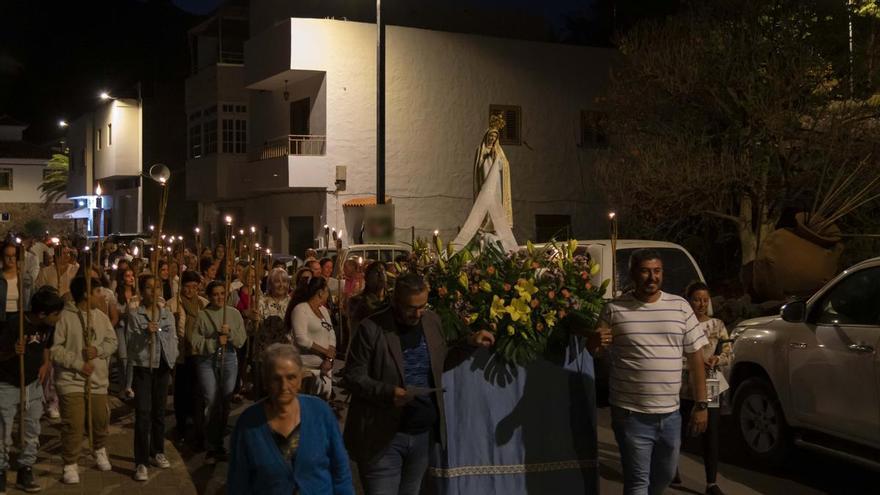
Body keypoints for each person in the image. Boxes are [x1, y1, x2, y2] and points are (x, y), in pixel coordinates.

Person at [343, 273, 494, 494]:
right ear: (396, 301)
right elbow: (353, 376)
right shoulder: (372, 328)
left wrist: (469, 343)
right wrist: (388, 392)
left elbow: (440, 362)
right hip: (382, 437)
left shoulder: (431, 321)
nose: (418, 313)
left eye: (422, 306)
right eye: (411, 308)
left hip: (422, 435)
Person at [594, 249, 710, 495]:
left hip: (670, 414)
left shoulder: (679, 306)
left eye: (656, 271)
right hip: (630, 414)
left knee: (665, 476)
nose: (651, 277)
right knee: (637, 482)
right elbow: (597, 351)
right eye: (645, 271)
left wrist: (701, 405)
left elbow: (696, 358)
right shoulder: (614, 309)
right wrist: (594, 342)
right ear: (633, 273)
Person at [227, 344, 354, 494]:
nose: (284, 386)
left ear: (300, 379)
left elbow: (341, 470)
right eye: (276, 379)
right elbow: (238, 482)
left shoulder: (320, 413)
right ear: (266, 381)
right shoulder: (248, 423)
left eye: (291, 377)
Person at [51, 276, 118, 484]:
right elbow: (55, 349)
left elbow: (112, 342)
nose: (102, 296)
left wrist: (98, 350)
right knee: (74, 423)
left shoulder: (102, 317)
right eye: (98, 292)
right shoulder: (65, 317)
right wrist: (78, 363)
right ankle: (70, 463)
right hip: (72, 380)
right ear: (85, 295)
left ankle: (99, 449)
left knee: (99, 419)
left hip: (97, 379)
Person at [0, 287, 63, 492]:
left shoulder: (48, 326)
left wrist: (45, 364)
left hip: (33, 384)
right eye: (55, 314)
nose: (58, 318)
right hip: (8, 384)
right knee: (3, 431)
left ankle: (25, 468)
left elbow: (46, 347)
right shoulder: (14, 324)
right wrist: (12, 350)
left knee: (32, 430)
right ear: (42, 313)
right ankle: (1, 470)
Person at [674, 282, 732, 495]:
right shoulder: (681, 324)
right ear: (689, 300)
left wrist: (718, 359)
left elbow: (728, 350)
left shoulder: (717, 325)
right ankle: (672, 469)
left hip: (712, 382)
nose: (701, 304)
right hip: (683, 382)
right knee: (678, 429)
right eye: (697, 299)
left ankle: (711, 482)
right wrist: (693, 363)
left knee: (712, 431)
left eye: (705, 300)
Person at [125, 274, 178, 481]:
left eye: (156, 288)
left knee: (159, 412)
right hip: (144, 367)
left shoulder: (166, 315)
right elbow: (131, 345)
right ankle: (140, 461)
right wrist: (145, 334)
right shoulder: (135, 315)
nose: (153, 292)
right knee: (143, 413)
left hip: (162, 367)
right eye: (148, 288)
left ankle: (157, 451)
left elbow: (172, 340)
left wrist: (171, 359)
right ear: (141, 291)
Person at [189, 280, 246, 461]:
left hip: (228, 358)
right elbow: (195, 342)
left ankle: (219, 438)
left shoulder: (234, 314)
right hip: (207, 360)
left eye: (222, 293)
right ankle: (212, 443)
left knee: (226, 401)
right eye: (215, 294)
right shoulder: (202, 315)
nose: (219, 297)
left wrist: (229, 334)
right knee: (212, 399)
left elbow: (241, 340)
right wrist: (214, 342)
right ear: (209, 296)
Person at [168, 271, 207, 446]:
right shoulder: (173, 305)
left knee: (198, 393)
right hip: (181, 354)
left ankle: (199, 429)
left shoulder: (203, 304)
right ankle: (182, 426)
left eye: (194, 286)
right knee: (182, 392)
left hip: (199, 354)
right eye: (187, 286)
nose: (191, 290)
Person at [287, 277, 336, 400]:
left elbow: (331, 334)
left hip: (325, 368)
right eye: (327, 291)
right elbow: (301, 339)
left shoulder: (324, 311)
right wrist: (325, 352)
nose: (328, 294)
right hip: (306, 370)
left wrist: (328, 359)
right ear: (320, 292)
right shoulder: (301, 309)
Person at [251, 268, 291, 397]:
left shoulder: (292, 303)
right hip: (264, 354)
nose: (281, 285)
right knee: (264, 394)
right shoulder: (261, 301)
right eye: (277, 281)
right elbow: (252, 329)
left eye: (284, 281)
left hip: (286, 354)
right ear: (270, 284)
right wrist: (253, 320)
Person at [115, 268, 139, 399]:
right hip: (121, 327)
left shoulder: (137, 293)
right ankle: (122, 385)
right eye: (127, 275)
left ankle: (128, 386)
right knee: (123, 358)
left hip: (132, 328)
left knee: (131, 357)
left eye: (132, 275)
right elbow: (115, 310)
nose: (130, 278)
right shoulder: (118, 293)